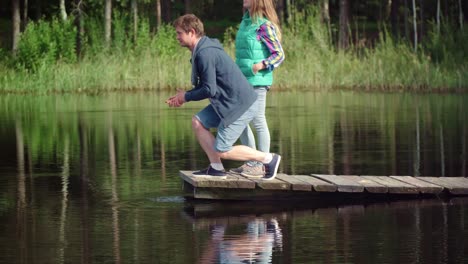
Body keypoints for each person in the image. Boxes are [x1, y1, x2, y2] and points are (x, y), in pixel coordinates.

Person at [166, 14, 281, 180]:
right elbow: (209, 85)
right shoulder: (202, 50)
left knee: (222, 149)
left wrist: (187, 97)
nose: (177, 37)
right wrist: (183, 95)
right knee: (198, 122)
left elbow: (209, 89)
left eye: (179, 33)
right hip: (228, 102)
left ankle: (268, 159)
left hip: (240, 104)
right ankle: (216, 168)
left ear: (191, 32)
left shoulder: (205, 53)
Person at [230, 0, 285, 178]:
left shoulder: (264, 26)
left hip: (258, 81)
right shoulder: (246, 23)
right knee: (240, 121)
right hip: (243, 81)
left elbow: (279, 54)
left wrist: (260, 65)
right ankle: (252, 162)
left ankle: (264, 163)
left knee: (258, 120)